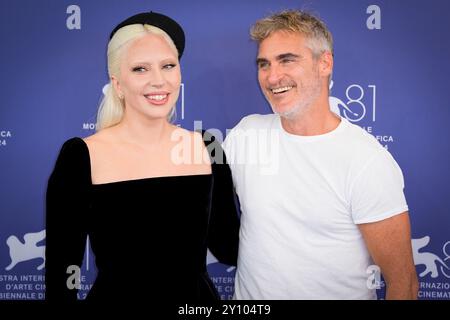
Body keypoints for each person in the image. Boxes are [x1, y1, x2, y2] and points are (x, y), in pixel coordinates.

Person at [45, 11, 240, 302]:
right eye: (140, 69)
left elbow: (228, 247)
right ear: (118, 83)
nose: (158, 81)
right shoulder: (81, 156)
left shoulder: (207, 147)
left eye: (168, 66)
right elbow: (62, 275)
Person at [223, 10, 418, 299]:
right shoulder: (245, 135)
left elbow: (404, 284)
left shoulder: (366, 161)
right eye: (264, 64)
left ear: (324, 62)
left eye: (287, 60)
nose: (273, 76)